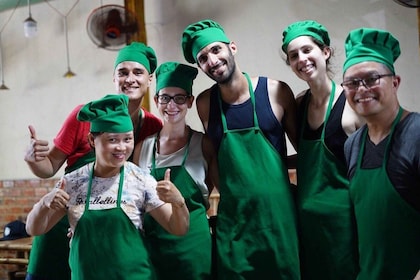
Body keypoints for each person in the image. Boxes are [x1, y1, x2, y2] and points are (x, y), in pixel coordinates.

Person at [23, 42, 163, 280]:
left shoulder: (153, 126)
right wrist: (33, 160)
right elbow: (49, 167)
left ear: (150, 79)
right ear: (114, 78)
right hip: (62, 221)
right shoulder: (83, 117)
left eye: (138, 72)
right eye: (123, 72)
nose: (130, 79)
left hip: (106, 237)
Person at [181, 19, 300, 279]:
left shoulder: (275, 91)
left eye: (215, 50)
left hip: (279, 219)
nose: (211, 60)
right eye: (202, 58)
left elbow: (306, 153)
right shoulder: (204, 104)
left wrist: (277, 175)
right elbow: (214, 160)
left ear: (232, 47)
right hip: (234, 222)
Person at [25, 94, 189, 280]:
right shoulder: (73, 183)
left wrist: (179, 203)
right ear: (92, 141)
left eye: (127, 139)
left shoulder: (141, 180)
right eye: (112, 140)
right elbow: (34, 229)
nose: (121, 148)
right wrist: (44, 204)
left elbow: (179, 228)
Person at [281, 20, 362, 279]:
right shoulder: (299, 104)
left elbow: (370, 172)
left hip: (345, 229)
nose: (301, 59)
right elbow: (308, 158)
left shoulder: (352, 105)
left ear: (325, 52)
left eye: (307, 50)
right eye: (294, 56)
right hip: (308, 228)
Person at [342, 27, 420, 279]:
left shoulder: (416, 134)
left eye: (372, 78)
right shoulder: (352, 145)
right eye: (352, 83)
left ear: (395, 82)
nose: (361, 88)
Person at [133, 61, 218, 280]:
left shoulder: (204, 144)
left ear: (190, 101)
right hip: (152, 247)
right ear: (155, 100)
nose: (172, 105)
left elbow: (215, 189)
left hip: (193, 246)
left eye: (180, 98)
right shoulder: (142, 147)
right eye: (165, 98)